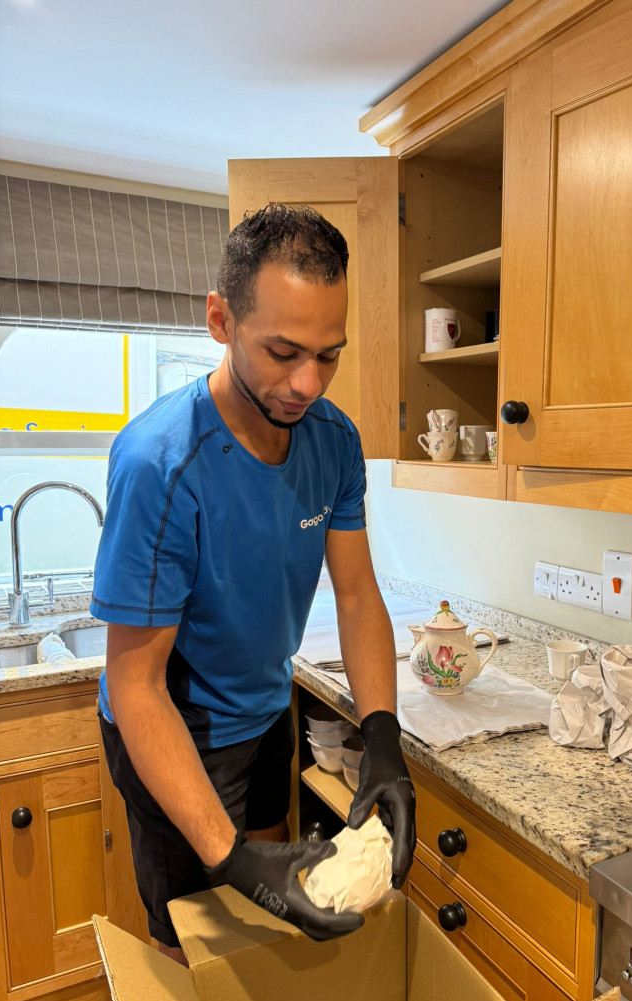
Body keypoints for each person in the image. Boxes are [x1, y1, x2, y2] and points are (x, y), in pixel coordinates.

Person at [91, 204, 416, 963]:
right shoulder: (160, 465)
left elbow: (359, 595)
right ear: (219, 319)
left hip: (267, 710)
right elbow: (136, 687)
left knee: (272, 916)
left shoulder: (334, 442)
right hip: (179, 728)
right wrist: (228, 857)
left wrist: (383, 739)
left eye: (329, 355)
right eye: (283, 352)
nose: (307, 383)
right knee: (197, 950)